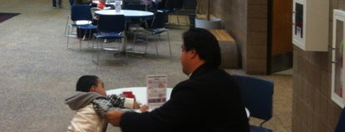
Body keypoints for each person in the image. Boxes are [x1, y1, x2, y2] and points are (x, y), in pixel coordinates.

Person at [105, 28, 250, 132]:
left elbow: (158, 123)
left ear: (192, 53)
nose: (181, 56)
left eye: (182, 50)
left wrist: (123, 118)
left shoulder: (192, 89)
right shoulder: (226, 79)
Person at [65, 75, 147, 132]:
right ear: (93, 89)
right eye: (102, 86)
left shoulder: (88, 100)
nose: (105, 90)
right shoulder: (97, 101)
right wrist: (137, 113)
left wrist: (129, 102)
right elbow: (111, 112)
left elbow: (111, 99)